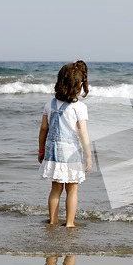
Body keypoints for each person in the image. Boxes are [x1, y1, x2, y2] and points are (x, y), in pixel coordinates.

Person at [38, 60, 92, 227]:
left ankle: (53, 220)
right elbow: (82, 133)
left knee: (56, 189)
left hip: (53, 153)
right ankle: (69, 223)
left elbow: (43, 129)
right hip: (71, 154)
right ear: (80, 84)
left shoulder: (50, 104)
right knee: (72, 189)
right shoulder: (79, 107)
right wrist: (88, 156)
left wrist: (41, 151)